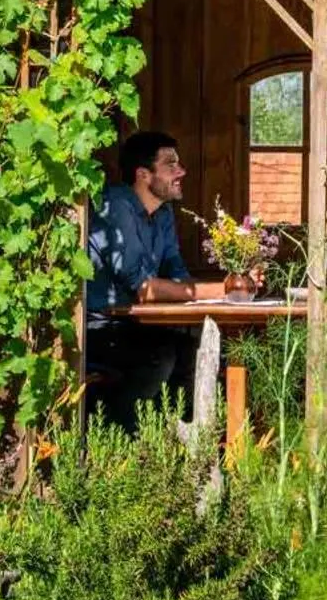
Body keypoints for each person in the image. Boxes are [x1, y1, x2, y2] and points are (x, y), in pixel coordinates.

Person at [84, 131, 224, 435]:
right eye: (170, 164)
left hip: (135, 326)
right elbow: (143, 288)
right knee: (158, 356)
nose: (181, 171)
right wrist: (224, 290)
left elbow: (177, 271)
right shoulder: (116, 205)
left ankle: (179, 443)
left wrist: (212, 295)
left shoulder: (163, 213)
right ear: (143, 174)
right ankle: (121, 444)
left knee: (193, 348)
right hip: (96, 328)